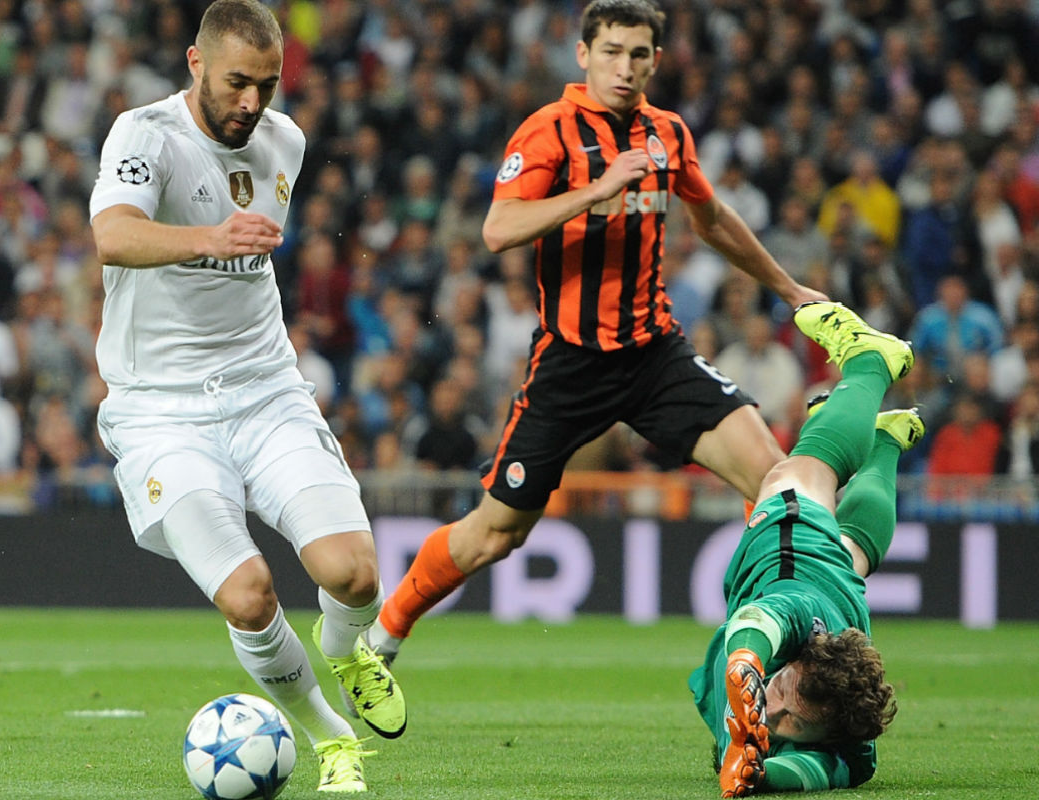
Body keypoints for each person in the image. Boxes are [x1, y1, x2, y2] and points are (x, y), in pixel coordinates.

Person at [367, 0, 825, 663]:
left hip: (653, 353)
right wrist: (597, 189)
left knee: (779, 484)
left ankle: (776, 657)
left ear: (656, 62)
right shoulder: (548, 131)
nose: (625, 67)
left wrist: (788, 287)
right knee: (497, 535)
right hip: (571, 361)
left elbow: (713, 217)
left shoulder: (667, 132)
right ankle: (385, 630)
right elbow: (498, 229)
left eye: (639, 55)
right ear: (583, 54)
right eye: (611, 51)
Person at [87, 1, 403, 792]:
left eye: (267, 85)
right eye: (237, 84)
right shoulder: (144, 136)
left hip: (266, 391)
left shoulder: (284, 140)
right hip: (162, 411)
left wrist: (228, 247)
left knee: (355, 575)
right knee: (249, 593)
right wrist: (209, 237)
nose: (253, 104)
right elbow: (112, 235)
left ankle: (344, 652)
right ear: (196, 65)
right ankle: (331, 737)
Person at [690, 301, 920, 796]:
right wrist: (748, 666)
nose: (773, 712)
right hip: (796, 562)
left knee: (855, 549)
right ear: (801, 657)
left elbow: (819, 772)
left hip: (843, 591)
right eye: (782, 691)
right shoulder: (801, 622)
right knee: (799, 473)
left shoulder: (853, 742)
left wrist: (759, 773)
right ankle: (871, 362)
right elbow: (760, 622)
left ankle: (886, 442)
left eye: (792, 722)